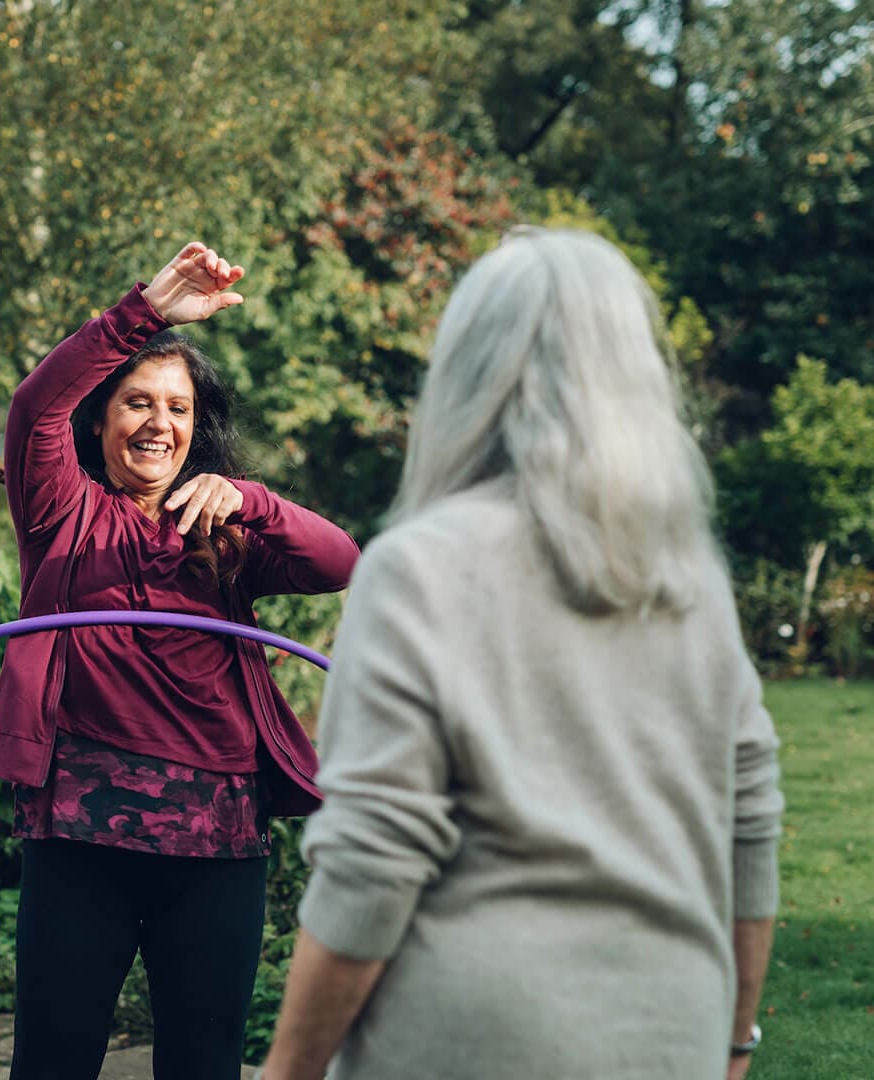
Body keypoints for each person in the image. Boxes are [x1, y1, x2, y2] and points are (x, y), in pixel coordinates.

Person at [258, 227, 784, 1080]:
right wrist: (733, 1040)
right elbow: (751, 826)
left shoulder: (418, 566)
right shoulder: (690, 581)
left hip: (468, 1038)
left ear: (467, 373)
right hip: (671, 1031)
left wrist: (288, 1071)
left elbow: (371, 864)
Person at [0, 242, 359, 1080]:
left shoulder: (228, 537)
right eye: (137, 403)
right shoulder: (62, 512)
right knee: (53, 1061)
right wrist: (144, 312)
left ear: (198, 426)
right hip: (81, 832)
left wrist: (252, 501)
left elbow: (342, 565)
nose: (160, 423)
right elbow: (35, 407)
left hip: (219, 841)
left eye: (179, 407)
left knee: (203, 1064)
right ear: (102, 421)